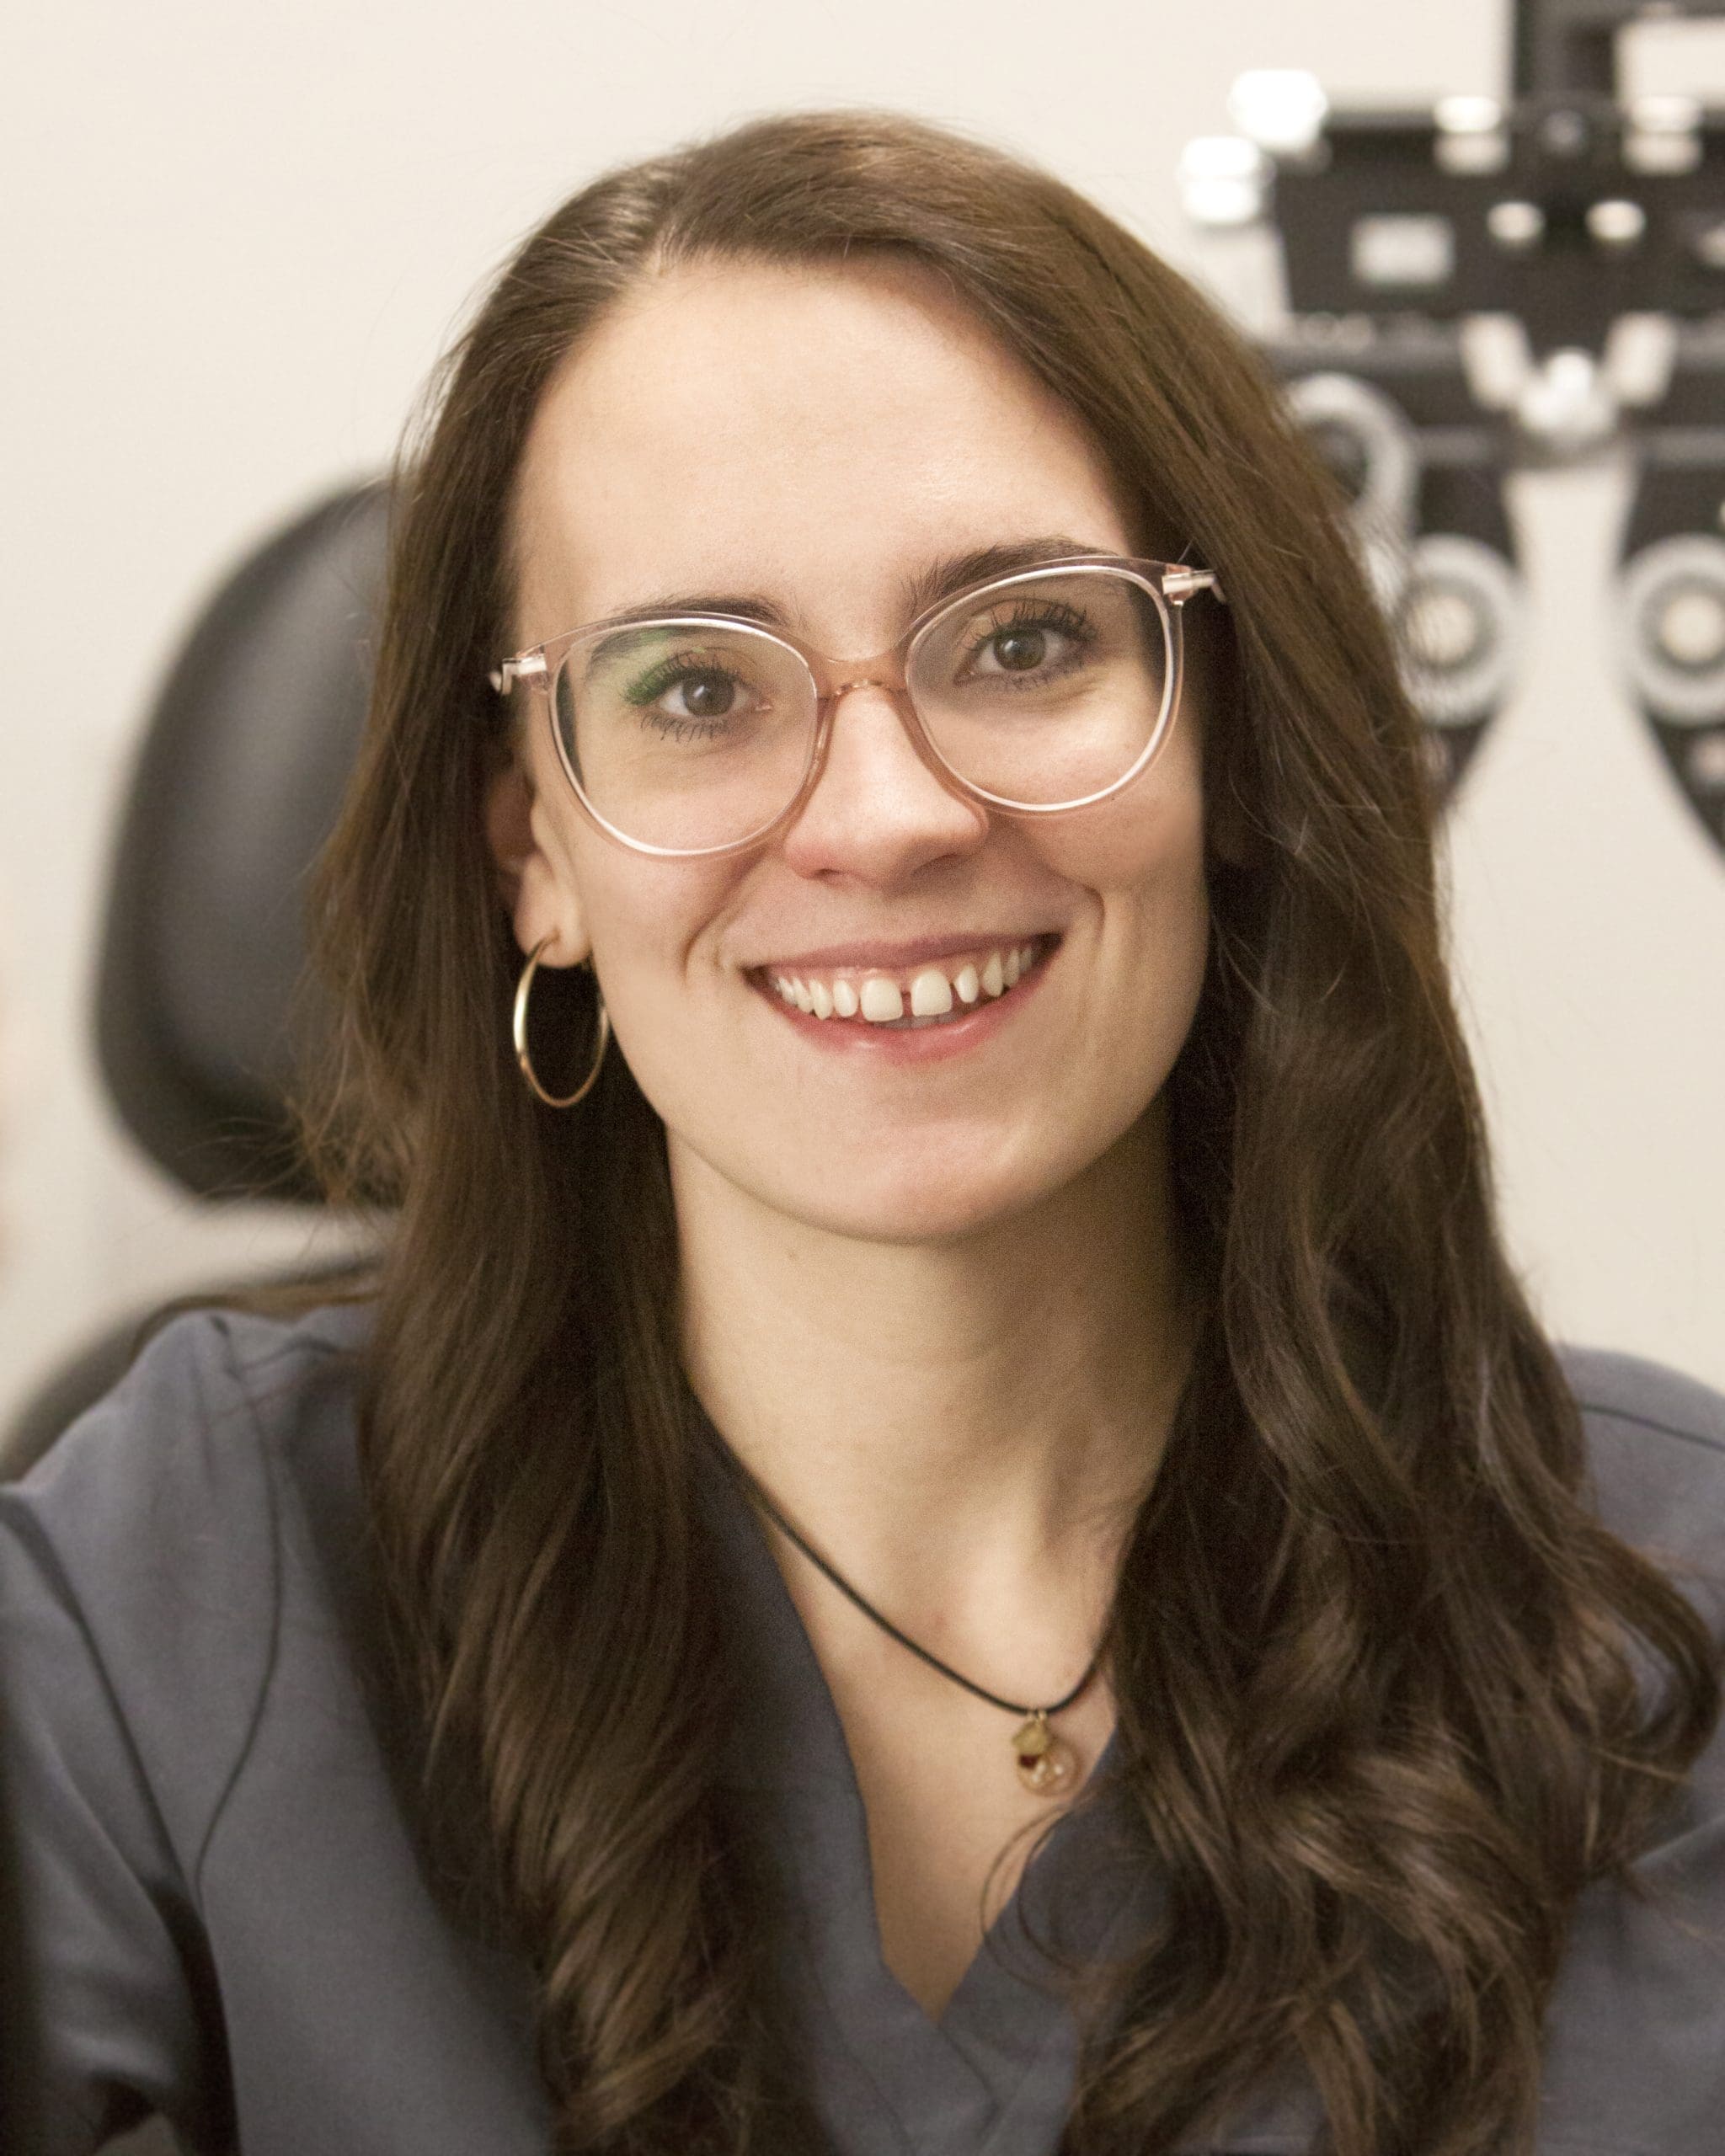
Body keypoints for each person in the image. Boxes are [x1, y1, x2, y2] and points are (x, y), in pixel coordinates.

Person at [2, 108, 1722, 2156]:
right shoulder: (162, 1598)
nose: (887, 812)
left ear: (1232, 741)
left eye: (1023, 641)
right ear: (530, 847)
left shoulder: (1667, 1617)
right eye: (696, 687)